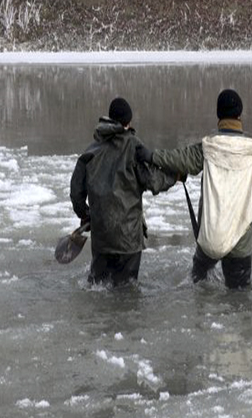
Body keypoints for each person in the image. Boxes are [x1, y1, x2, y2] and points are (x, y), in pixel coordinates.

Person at [141, 89, 252, 289]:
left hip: (210, 233)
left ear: (218, 115)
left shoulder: (208, 149)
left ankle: (201, 318)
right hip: (241, 238)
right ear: (240, 115)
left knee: (198, 283)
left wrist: (151, 155)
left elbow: (179, 159)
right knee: (239, 296)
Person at [70, 97, 177, 287]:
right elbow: (153, 181)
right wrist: (176, 175)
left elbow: (76, 193)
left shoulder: (90, 151)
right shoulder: (133, 146)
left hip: (102, 237)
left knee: (98, 290)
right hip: (128, 240)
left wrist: (86, 214)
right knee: (126, 294)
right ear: (128, 122)